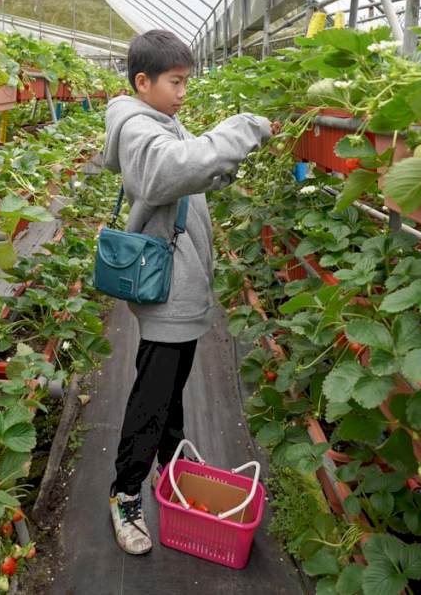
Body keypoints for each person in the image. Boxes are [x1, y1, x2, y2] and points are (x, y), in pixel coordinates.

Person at [100, 29, 280, 555]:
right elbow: (162, 175)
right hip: (167, 290)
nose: (183, 92)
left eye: (186, 81)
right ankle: (125, 492)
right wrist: (241, 130)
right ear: (143, 81)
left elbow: (185, 176)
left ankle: (173, 460)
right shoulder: (137, 127)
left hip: (179, 281)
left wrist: (219, 166)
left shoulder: (160, 120)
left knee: (171, 383)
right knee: (151, 396)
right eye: (175, 82)